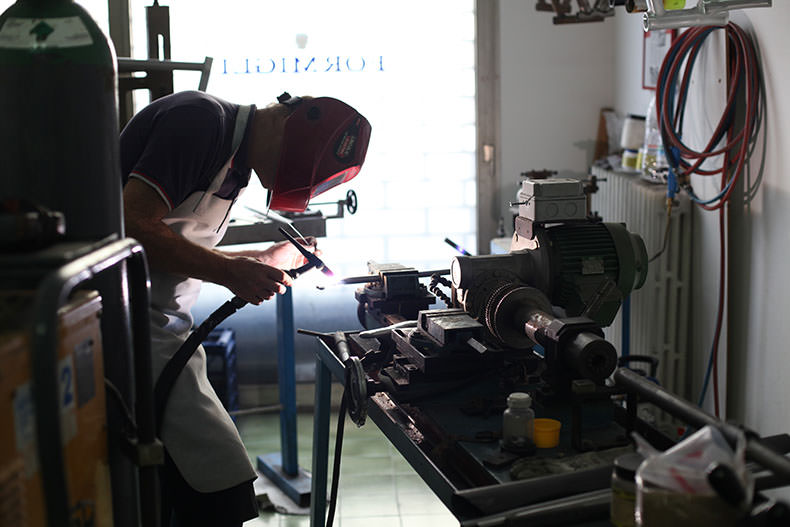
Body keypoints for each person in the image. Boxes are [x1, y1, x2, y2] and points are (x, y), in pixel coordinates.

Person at [120, 90, 371, 526]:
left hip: (163, 328)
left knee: (207, 482)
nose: (275, 179)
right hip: (123, 324)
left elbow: (178, 242)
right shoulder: (200, 123)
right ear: (285, 122)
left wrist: (259, 261)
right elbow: (131, 227)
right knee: (219, 482)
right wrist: (231, 274)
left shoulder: (233, 160)